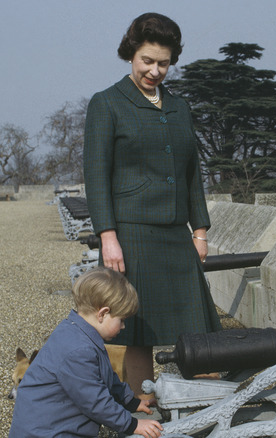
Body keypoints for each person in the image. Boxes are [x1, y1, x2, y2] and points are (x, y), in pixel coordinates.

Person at [83, 13, 222, 396]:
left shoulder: (180, 108)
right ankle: (141, 410)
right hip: (131, 234)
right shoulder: (107, 104)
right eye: (147, 60)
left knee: (199, 330)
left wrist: (200, 231)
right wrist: (107, 236)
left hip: (176, 235)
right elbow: (96, 176)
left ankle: (205, 409)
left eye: (163, 62)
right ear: (131, 54)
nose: (155, 70)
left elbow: (191, 173)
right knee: (138, 332)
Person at [8, 267, 163, 438]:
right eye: (122, 320)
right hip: (46, 432)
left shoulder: (79, 333)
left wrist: (132, 403)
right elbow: (95, 401)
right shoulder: (78, 351)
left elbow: (106, 378)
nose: (123, 327)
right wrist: (132, 424)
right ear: (103, 313)